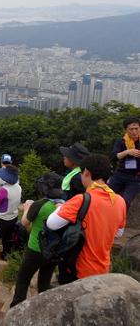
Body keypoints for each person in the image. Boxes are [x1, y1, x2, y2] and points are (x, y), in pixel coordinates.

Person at [46, 154, 127, 282]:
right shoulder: (120, 201)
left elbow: (51, 223)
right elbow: (119, 232)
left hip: (78, 270)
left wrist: (61, 206)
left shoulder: (81, 200)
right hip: (103, 270)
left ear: (87, 173)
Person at [10, 172, 65, 307]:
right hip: (54, 250)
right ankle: (42, 310)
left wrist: (27, 208)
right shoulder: (65, 205)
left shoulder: (40, 204)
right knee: (44, 282)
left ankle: (16, 310)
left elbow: (24, 223)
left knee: (23, 280)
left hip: (35, 249)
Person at [108, 117, 140, 210]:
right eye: (131, 129)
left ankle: (120, 223)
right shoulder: (121, 141)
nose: (134, 131)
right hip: (120, 174)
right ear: (126, 130)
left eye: (136, 128)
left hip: (135, 178)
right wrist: (127, 152)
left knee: (125, 201)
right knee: (106, 196)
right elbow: (112, 157)